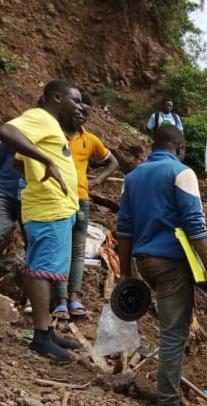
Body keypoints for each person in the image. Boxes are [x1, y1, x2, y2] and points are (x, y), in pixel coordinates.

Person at [117, 125, 207, 406]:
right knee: (174, 333)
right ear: (180, 147)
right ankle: (168, 405)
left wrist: (125, 273)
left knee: (172, 329)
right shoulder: (181, 172)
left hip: (145, 260)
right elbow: (194, 223)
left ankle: (171, 390)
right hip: (172, 262)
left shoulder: (132, 177)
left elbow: (124, 228)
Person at [0, 80, 83, 362]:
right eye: (75, 100)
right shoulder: (40, 117)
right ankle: (40, 337)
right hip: (49, 209)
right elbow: (6, 131)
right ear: (57, 98)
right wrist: (46, 162)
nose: (79, 106)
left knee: (45, 270)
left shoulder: (49, 126)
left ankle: (46, 331)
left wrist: (37, 166)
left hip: (54, 207)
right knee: (40, 271)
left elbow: (16, 163)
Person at [54, 92, 119, 320]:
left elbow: (113, 162)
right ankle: (60, 300)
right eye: (78, 110)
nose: (81, 115)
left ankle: (74, 297)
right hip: (57, 200)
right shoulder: (54, 135)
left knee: (77, 251)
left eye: (85, 113)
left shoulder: (90, 140)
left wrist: (96, 181)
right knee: (61, 248)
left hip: (81, 199)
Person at [0, 142, 25, 250]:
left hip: (31, 197)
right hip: (4, 191)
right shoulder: (13, 132)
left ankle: (29, 266)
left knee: (33, 243)